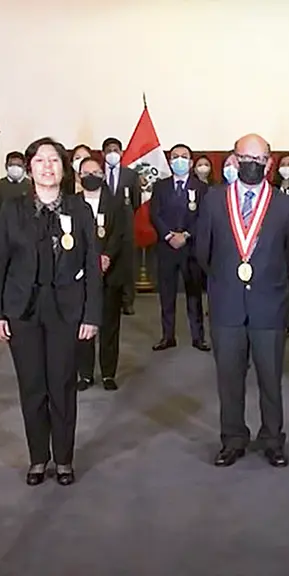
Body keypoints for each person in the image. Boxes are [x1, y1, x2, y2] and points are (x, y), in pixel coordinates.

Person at [0, 137, 101, 486]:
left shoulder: (80, 210)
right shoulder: (13, 209)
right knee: (32, 385)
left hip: (67, 309)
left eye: (54, 160)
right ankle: (38, 458)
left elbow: (92, 266)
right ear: (29, 168)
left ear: (64, 169)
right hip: (23, 309)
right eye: (40, 160)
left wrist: (91, 315)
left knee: (63, 386)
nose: (47, 167)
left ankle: (63, 459)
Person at [195, 133, 289, 468]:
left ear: (269, 163)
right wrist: (226, 279)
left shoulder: (286, 205)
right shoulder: (214, 200)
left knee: (271, 379)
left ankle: (273, 439)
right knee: (229, 379)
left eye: (258, 160)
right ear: (233, 159)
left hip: (269, 305)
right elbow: (203, 252)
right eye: (245, 158)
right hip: (227, 304)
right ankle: (232, 439)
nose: (252, 165)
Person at [74, 157, 128, 391]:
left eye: (96, 172)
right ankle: (85, 374)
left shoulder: (116, 203)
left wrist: (106, 256)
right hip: (80, 276)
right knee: (83, 325)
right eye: (86, 173)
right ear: (79, 176)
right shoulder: (72, 203)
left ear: (103, 175)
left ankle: (108, 373)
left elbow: (119, 234)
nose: (91, 176)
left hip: (110, 272)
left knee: (109, 325)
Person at [149, 143, 210, 351]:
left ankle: (198, 336)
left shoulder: (201, 188)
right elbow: (154, 214)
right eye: (175, 156)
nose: (179, 160)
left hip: (190, 248)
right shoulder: (161, 186)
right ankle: (167, 336)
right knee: (167, 294)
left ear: (191, 163)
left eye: (184, 156)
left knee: (194, 294)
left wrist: (185, 235)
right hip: (166, 248)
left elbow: (203, 216)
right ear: (170, 161)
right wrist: (168, 235)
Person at [101, 137, 141, 316]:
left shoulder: (130, 175)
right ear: (103, 154)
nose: (112, 154)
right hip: (103, 225)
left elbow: (136, 201)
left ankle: (127, 301)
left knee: (127, 264)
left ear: (122, 153)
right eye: (109, 151)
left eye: (116, 150)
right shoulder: (98, 173)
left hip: (125, 225)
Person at [274, 154, 289, 336]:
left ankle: (288, 321)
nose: (286, 167)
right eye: (283, 164)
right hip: (275, 242)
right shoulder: (271, 189)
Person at [0, 151, 32, 222]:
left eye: (19, 165)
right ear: (6, 166)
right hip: (2, 225)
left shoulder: (31, 186)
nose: (15, 168)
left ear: (24, 167)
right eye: (11, 165)